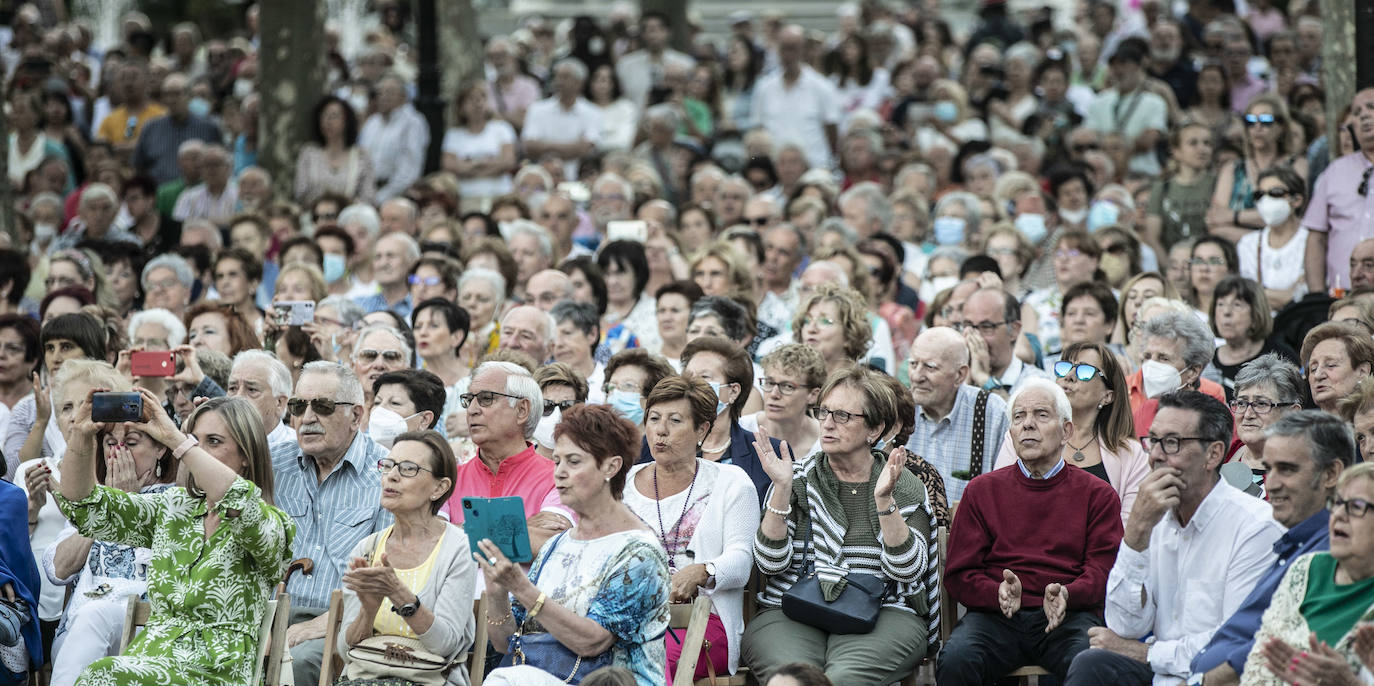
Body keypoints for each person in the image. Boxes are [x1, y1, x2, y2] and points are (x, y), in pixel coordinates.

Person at [53, 393, 293, 686]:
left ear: (246, 455)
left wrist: (177, 440)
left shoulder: (271, 522)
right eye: (194, 439)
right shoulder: (172, 506)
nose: (196, 450)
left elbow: (237, 499)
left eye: (213, 442)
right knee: (105, 672)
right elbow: (85, 506)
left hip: (216, 670)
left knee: (104, 674)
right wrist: (81, 434)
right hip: (152, 657)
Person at [1064, 390, 1284, 686]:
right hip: (1160, 673)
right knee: (1092, 663)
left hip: (1215, 677)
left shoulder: (1256, 525)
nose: (1155, 455)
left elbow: (1235, 642)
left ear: (1214, 454)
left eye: (1171, 443)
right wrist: (1136, 535)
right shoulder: (1154, 517)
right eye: (1152, 441)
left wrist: (1147, 653)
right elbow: (1123, 625)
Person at [742, 364, 934, 684]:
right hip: (791, 606)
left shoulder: (902, 485)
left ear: (874, 430)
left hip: (885, 610)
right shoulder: (798, 478)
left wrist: (884, 502)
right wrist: (782, 489)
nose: (828, 425)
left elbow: (908, 570)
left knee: (844, 679)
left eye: (843, 416)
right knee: (793, 679)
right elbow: (769, 563)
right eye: (824, 412)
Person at [940, 379, 1124, 684]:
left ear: (1066, 431)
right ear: (1011, 433)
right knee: (958, 657)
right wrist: (994, 592)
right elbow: (959, 575)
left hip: (1068, 616)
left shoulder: (1098, 494)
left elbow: (1104, 572)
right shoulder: (981, 491)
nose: (1027, 425)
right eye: (1018, 417)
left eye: (1041, 415)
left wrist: (1069, 593)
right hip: (995, 618)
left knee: (1092, 662)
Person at [479, 404, 669, 686]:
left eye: (574, 461)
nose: (559, 473)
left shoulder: (639, 553)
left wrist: (522, 588)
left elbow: (592, 643)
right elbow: (505, 644)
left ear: (611, 466)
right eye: (556, 461)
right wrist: (496, 592)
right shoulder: (556, 545)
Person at [1188, 411, 1352, 686]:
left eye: (1287, 469)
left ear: (1331, 473)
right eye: (1268, 469)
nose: (1271, 484)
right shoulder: (1294, 541)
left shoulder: (1333, 552)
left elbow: (1283, 646)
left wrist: (1199, 683)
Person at [626, 375, 760, 681]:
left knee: (652, 660)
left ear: (701, 430)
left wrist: (702, 572)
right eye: (654, 418)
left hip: (702, 622)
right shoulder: (623, 484)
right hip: (630, 618)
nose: (660, 430)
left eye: (675, 420)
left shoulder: (731, 482)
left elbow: (741, 561)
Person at [271, 361, 394, 686]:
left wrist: (326, 623)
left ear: (356, 416)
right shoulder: (272, 466)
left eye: (322, 406)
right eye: (299, 406)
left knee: (293, 668)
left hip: (346, 623)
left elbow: (383, 578)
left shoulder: (387, 474)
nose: (307, 417)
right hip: (267, 615)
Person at [336, 431, 475, 686]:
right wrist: (369, 610)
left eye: (408, 468)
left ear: (439, 488)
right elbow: (346, 652)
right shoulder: (366, 549)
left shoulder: (458, 549)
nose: (392, 475)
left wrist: (399, 594)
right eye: (388, 465)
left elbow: (445, 645)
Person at [994, 341, 1148, 522]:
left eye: (1084, 371)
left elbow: (1129, 528)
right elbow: (1000, 502)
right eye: (1064, 368)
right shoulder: (1023, 436)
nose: (1069, 376)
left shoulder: (1131, 453)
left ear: (1107, 396)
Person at [441, 361, 573, 550]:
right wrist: (525, 525)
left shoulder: (559, 478)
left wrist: (460, 531)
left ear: (521, 410)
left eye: (486, 398)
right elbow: (432, 541)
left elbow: (548, 545)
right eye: (469, 399)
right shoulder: (450, 478)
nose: (471, 410)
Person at [905, 326, 1010, 502]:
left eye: (930, 367)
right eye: (913, 364)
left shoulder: (991, 412)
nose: (916, 376)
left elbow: (1008, 489)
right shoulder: (899, 410)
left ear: (960, 375)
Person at [681, 336, 777, 502]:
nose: (693, 385)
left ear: (733, 391)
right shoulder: (659, 442)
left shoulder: (767, 452)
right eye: (688, 377)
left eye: (704, 377)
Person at [1304, 87, 1374, 293]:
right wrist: (1317, 295)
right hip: (1341, 297)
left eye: (1371, 107)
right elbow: (1316, 238)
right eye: (1357, 112)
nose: (1364, 116)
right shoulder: (1334, 172)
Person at [1129, 310, 1227, 428]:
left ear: (1193, 372)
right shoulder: (1143, 413)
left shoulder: (1215, 411)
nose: (1151, 365)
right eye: (1147, 356)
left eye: (1163, 358)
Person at [1211, 277, 1300, 399]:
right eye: (1220, 304)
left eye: (1237, 305)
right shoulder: (1207, 361)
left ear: (1255, 314)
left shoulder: (1281, 358)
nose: (1226, 312)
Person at [1236, 166, 1310, 310]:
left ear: (1297, 200)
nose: (1266, 200)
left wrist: (1262, 292)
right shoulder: (1248, 244)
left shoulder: (1311, 241)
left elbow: (1304, 298)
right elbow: (1248, 296)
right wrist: (1287, 295)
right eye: (1259, 195)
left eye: (1275, 193)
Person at [739, 344, 824, 463]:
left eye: (788, 386)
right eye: (769, 383)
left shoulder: (825, 442)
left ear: (813, 395)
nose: (774, 394)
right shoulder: (741, 428)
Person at [441, 80, 517, 210]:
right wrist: (487, 163)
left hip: (501, 195)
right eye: (471, 99)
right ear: (461, 107)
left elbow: (508, 161)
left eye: (481, 99)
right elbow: (449, 165)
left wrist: (469, 166)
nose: (477, 104)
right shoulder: (454, 134)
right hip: (467, 197)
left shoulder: (502, 128)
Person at [1227, 354, 1306, 480]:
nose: (1248, 415)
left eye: (1261, 404)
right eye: (1241, 403)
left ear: (1292, 413)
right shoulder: (1222, 455)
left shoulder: (1306, 469)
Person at [1145, 121, 1216, 256]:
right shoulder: (1161, 188)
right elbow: (1152, 238)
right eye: (1193, 143)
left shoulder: (1219, 184)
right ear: (1176, 151)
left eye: (1207, 143)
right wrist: (1170, 268)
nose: (1202, 149)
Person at [359, 73, 430, 203]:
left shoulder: (413, 122)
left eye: (389, 92)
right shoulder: (372, 123)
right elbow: (362, 159)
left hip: (397, 195)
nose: (383, 97)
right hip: (368, 192)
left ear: (403, 96)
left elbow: (410, 168)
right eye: (380, 93)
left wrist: (382, 197)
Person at [410, 298, 469, 436]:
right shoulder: (409, 384)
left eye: (433, 326)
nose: (422, 333)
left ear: (456, 337)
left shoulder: (476, 384)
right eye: (418, 327)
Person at [793, 285, 872, 371]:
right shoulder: (791, 379)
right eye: (807, 321)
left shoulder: (867, 383)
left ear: (849, 334)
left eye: (825, 321)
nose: (811, 329)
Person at [227, 349, 294, 450]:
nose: (238, 397)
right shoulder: (215, 445)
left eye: (252, 390)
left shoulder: (300, 452)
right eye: (232, 388)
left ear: (280, 403)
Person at [1302, 322, 1374, 415]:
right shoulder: (1298, 428)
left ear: (1362, 372)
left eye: (1331, 365)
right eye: (1313, 369)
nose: (1317, 375)